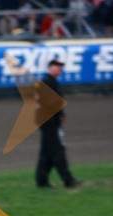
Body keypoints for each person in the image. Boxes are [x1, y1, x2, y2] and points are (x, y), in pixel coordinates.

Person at [35, 59, 81, 189]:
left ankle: (41, 180)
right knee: (57, 151)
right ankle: (68, 180)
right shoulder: (47, 82)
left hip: (47, 120)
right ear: (50, 68)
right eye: (56, 66)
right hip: (49, 121)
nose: (59, 69)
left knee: (47, 152)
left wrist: (60, 115)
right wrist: (59, 115)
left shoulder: (50, 81)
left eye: (60, 67)